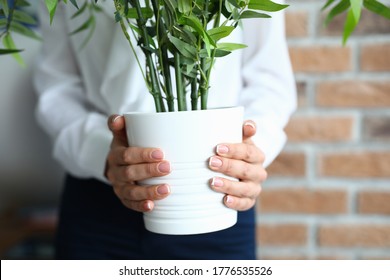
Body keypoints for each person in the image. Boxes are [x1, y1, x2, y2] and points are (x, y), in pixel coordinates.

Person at [33, 0, 296, 259]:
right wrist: (102, 154)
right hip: (98, 196)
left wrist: (247, 155)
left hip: (214, 189)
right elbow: (57, 88)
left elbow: (270, 82)